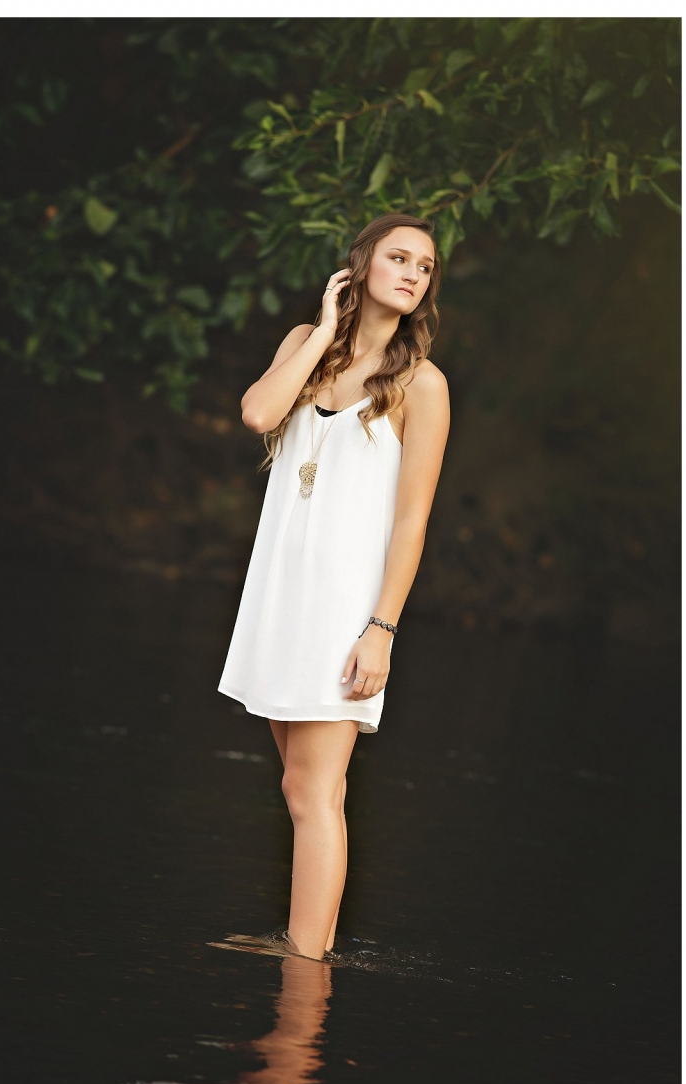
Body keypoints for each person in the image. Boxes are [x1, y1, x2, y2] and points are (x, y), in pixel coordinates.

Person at [217, 212, 450, 961]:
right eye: (399, 256)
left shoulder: (424, 385)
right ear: (362, 263)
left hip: (344, 610)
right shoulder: (303, 347)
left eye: (425, 266)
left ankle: (305, 966)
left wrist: (379, 630)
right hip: (280, 596)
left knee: (315, 794)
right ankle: (302, 949)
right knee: (300, 789)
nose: (414, 273)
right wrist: (322, 329)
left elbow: (411, 524)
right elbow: (258, 412)